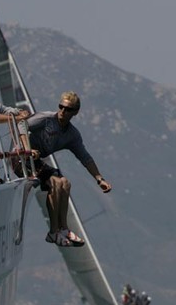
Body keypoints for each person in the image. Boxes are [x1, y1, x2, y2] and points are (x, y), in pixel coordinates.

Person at [20, 91, 112, 246]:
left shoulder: (72, 134)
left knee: (65, 183)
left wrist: (99, 179)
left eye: (67, 109)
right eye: (60, 107)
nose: (62, 111)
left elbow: (85, 158)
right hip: (21, 158)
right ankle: (53, 232)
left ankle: (63, 229)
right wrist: (27, 149)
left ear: (75, 112)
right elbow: (20, 124)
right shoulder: (47, 118)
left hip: (36, 162)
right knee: (55, 182)